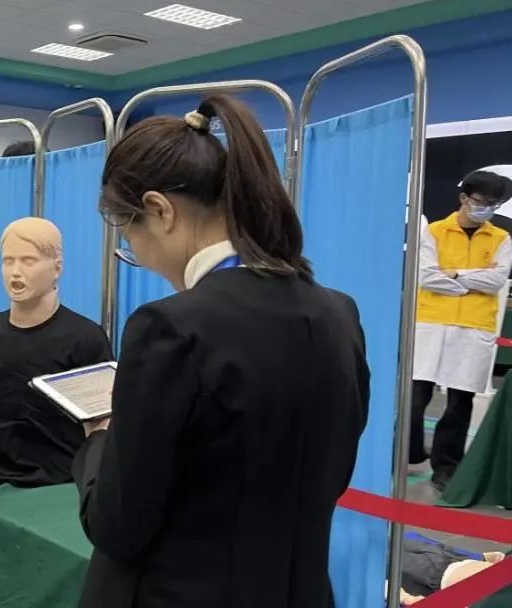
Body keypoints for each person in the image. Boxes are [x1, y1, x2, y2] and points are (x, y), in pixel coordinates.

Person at [72, 96, 369, 608]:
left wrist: (98, 440)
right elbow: (331, 475)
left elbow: (117, 525)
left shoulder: (170, 328)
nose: (136, 254)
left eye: (128, 236)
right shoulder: (338, 313)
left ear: (159, 211)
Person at [0, 217, 112, 487]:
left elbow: (103, 421)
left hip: (62, 479)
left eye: (28, 261)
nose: (15, 272)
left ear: (57, 268)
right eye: (8, 261)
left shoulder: (85, 339)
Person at [412, 170, 512, 491]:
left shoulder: (501, 238)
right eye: (481, 202)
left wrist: (453, 275)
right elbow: (427, 277)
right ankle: (409, 450)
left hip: (474, 325)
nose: (486, 209)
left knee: (460, 401)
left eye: (493, 205)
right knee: (416, 396)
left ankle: (446, 466)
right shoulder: (434, 232)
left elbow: (495, 281)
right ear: (463, 198)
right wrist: (472, 279)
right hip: (431, 321)